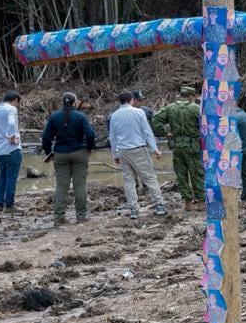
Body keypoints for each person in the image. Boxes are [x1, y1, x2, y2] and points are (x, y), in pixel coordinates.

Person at [41, 92, 96, 226]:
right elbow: (90, 134)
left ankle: (58, 218)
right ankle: (81, 217)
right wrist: (89, 148)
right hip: (80, 152)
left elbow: (46, 138)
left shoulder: (54, 116)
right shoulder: (80, 116)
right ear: (75, 102)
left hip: (60, 154)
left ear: (62, 102)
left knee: (61, 187)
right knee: (80, 185)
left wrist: (49, 153)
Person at [109, 90, 164, 218]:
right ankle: (159, 204)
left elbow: (112, 137)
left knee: (128, 181)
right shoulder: (139, 112)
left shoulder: (114, 115)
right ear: (131, 100)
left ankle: (133, 209)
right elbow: (147, 132)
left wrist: (115, 155)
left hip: (123, 151)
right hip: (138, 149)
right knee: (149, 177)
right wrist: (154, 149)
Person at [152, 86, 203, 211]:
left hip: (177, 146)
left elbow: (155, 119)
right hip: (193, 146)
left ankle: (188, 202)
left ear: (180, 95)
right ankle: (201, 201)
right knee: (196, 173)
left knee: (181, 174)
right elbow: (206, 125)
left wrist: (165, 133)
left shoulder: (170, 108)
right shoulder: (196, 108)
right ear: (192, 96)